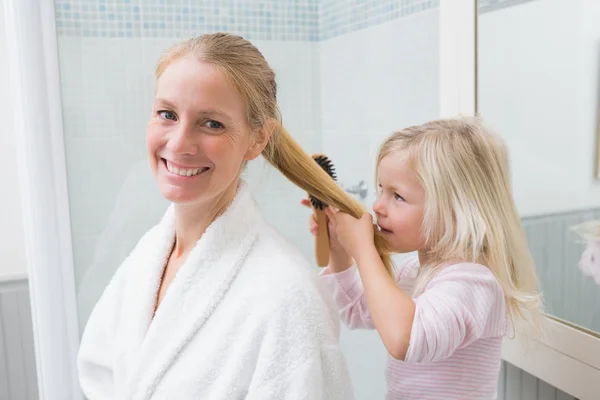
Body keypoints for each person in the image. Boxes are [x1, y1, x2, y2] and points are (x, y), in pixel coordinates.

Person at [77, 32, 381, 400]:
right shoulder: (146, 259)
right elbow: (99, 371)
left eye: (212, 124)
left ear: (257, 139)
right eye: (167, 114)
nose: (178, 143)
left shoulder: (286, 295)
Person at [304, 117, 544, 399]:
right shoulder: (414, 271)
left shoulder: (474, 282)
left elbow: (406, 339)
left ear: (454, 209)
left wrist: (364, 250)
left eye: (398, 197)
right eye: (381, 189)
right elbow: (357, 310)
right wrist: (340, 249)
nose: (378, 206)